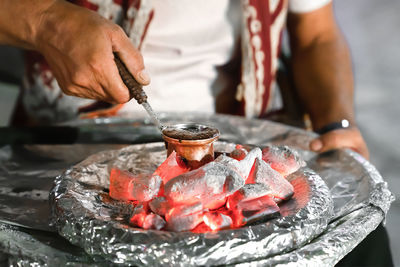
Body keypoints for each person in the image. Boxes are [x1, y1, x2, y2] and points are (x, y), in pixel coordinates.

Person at [0, 0, 369, 159]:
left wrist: (336, 122)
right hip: (70, 139)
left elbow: (316, 35)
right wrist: (47, 20)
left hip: (248, 135)